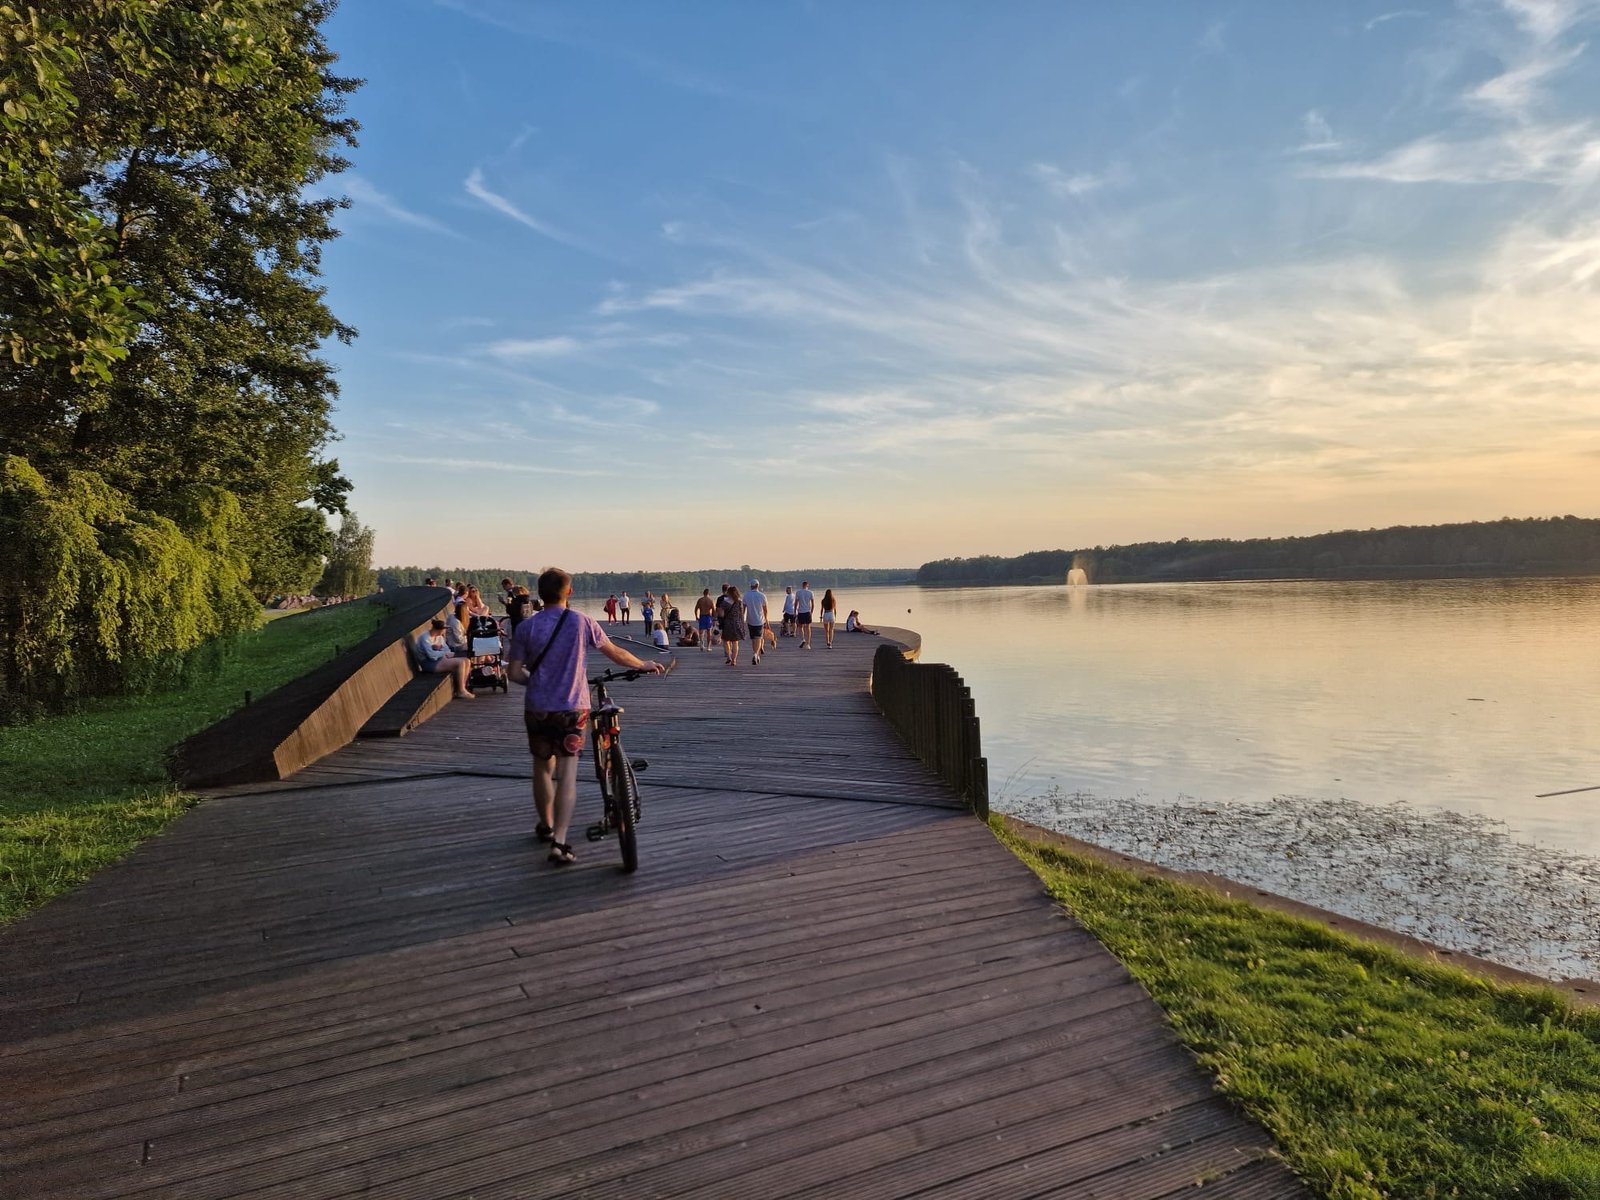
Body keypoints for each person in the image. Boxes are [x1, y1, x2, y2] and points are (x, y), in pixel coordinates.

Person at [507, 567, 664, 866]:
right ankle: (560, 841)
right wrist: (643, 663)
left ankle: (546, 825)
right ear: (569, 592)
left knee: (542, 768)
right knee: (567, 773)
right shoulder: (582, 622)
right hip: (572, 707)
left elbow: (514, 673)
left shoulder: (526, 627)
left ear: (540, 594)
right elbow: (614, 652)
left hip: (538, 707)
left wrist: (538, 682)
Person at [413, 619, 474, 700]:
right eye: (445, 629)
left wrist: (440, 649)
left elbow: (447, 650)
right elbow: (432, 655)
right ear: (440, 629)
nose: (445, 631)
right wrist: (441, 652)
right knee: (460, 662)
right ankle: (460, 691)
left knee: (467, 660)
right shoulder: (425, 638)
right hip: (428, 663)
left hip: (439, 659)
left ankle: (463, 687)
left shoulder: (439, 637)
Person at [719, 584, 748, 666]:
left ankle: (729, 656)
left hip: (728, 623)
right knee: (735, 642)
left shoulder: (725, 602)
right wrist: (742, 624)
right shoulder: (740, 601)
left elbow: (721, 614)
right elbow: (741, 614)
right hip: (737, 623)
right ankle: (734, 660)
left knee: (725, 640)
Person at [744, 579, 769, 665]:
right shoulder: (762, 596)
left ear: (751, 586)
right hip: (759, 620)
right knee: (758, 638)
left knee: (753, 638)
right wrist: (766, 619)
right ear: (758, 585)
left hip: (750, 620)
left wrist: (742, 619)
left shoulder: (746, 595)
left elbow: (743, 608)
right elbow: (765, 610)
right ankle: (755, 654)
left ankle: (756, 654)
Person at [793, 579, 815, 649]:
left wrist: (794, 611)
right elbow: (813, 604)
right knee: (808, 628)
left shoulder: (798, 592)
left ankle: (803, 639)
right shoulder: (810, 592)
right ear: (807, 585)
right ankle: (808, 644)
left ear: (802, 585)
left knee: (800, 627)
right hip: (807, 611)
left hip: (801, 612)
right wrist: (811, 612)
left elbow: (796, 603)